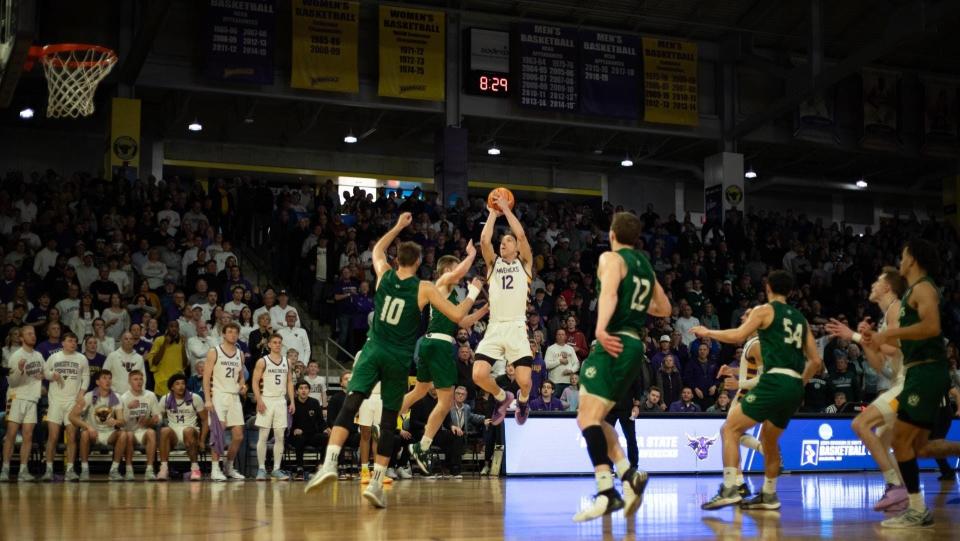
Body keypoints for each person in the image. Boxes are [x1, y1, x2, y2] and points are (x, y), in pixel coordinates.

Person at [305, 212, 481, 509]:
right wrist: (474, 291)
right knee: (389, 420)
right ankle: (377, 481)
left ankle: (330, 462)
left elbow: (375, 250)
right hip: (398, 358)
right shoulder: (424, 288)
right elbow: (456, 316)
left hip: (373, 349)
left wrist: (398, 226)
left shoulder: (384, 274)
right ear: (417, 263)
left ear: (396, 259)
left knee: (352, 401)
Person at [695, 270, 822, 511]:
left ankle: (731, 488)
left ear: (768, 288)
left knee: (730, 429)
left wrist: (708, 332)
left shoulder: (764, 310)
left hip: (774, 381)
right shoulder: (801, 319)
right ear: (792, 291)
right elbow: (816, 362)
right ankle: (769, 494)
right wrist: (798, 383)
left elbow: (737, 335)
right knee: (770, 440)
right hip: (794, 385)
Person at [573, 212, 671, 522]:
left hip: (612, 342)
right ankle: (629, 475)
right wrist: (636, 309)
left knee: (586, 417)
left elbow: (609, 292)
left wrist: (601, 328)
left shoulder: (611, 258)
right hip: (634, 345)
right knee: (597, 418)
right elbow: (664, 308)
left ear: (612, 234)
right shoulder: (645, 265)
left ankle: (607, 492)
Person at [865, 240, 960, 528]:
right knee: (920, 448)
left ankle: (917, 509)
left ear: (914, 260)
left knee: (898, 440)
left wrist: (889, 335)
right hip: (921, 372)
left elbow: (931, 327)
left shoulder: (923, 288)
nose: (901, 259)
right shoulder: (912, 293)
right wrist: (878, 339)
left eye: (904, 255)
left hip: (927, 371)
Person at [825, 267, 908, 511]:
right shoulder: (885, 317)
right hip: (898, 381)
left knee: (860, 424)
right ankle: (906, 497)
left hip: (910, 382)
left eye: (878, 281)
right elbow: (881, 365)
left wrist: (858, 337)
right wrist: (867, 340)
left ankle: (896, 487)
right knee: (881, 439)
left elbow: (896, 348)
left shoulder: (897, 308)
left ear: (888, 288)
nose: (873, 284)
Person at [401, 241, 487, 475]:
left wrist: (485, 308)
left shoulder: (447, 298)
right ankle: (423, 445)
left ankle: (386, 418)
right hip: (439, 345)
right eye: (457, 268)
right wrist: (471, 255)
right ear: (447, 270)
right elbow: (460, 276)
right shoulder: (440, 283)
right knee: (446, 401)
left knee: (419, 391)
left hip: (431, 343)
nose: (461, 274)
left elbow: (463, 321)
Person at [472, 195, 536, 427]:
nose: (503, 243)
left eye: (508, 241)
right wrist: (492, 211)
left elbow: (520, 234)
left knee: (524, 381)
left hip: (517, 326)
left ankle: (523, 401)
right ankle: (502, 397)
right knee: (478, 375)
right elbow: (484, 239)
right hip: (495, 326)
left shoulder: (525, 264)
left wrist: (507, 210)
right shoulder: (493, 265)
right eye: (502, 241)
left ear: (517, 247)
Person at [203, 322, 248, 481]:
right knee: (218, 433)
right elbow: (206, 377)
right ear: (223, 334)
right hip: (218, 395)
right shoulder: (214, 351)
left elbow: (241, 375)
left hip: (234, 396)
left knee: (238, 436)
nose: (233, 335)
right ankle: (215, 469)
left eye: (235, 332)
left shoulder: (240, 354)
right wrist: (208, 399)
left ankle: (228, 467)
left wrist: (243, 386)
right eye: (230, 332)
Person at [42, 332, 89, 481]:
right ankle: (48, 469)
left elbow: (86, 377)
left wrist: (81, 393)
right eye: (70, 341)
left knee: (71, 436)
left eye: (75, 341)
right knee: (53, 437)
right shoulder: (54, 357)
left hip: (72, 403)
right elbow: (44, 372)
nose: (73, 343)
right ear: (63, 343)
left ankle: (70, 470)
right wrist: (52, 375)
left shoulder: (81, 358)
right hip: (55, 401)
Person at [0, 325, 44, 481]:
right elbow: (12, 382)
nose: (33, 336)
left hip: (32, 399)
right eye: (29, 333)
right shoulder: (16, 356)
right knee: (11, 434)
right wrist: (19, 369)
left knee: (28, 436)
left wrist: (49, 376)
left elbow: (43, 373)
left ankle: (23, 471)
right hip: (16, 397)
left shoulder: (38, 355)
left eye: (34, 333)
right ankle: (5, 469)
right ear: (21, 338)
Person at [252, 333, 296, 480]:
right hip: (266, 399)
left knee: (280, 436)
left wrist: (292, 401)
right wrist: (259, 400)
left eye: (279, 342)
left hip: (280, 401)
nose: (277, 344)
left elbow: (290, 381)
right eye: (275, 342)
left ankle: (276, 469)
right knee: (263, 435)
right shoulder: (262, 361)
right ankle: (261, 468)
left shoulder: (287, 361)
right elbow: (254, 382)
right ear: (269, 344)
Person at [69, 370, 126, 481]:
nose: (108, 381)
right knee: (84, 433)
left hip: (109, 433)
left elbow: (122, 421)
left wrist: (116, 422)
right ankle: (85, 470)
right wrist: (88, 426)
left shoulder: (117, 397)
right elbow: (72, 417)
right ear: (97, 382)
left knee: (123, 434)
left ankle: (114, 470)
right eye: (104, 378)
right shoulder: (89, 396)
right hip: (92, 433)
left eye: (109, 378)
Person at [158, 373, 208, 481]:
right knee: (164, 430)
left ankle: (195, 468)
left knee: (187, 431)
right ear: (172, 387)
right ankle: (164, 468)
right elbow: (158, 418)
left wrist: (202, 440)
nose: (181, 386)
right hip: (174, 434)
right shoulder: (165, 399)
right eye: (177, 384)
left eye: (183, 383)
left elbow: (205, 420)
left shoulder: (195, 398)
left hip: (191, 430)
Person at [120, 370, 161, 481]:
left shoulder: (150, 395)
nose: (139, 382)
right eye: (135, 379)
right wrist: (129, 409)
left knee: (152, 432)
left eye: (140, 379)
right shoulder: (123, 398)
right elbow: (122, 422)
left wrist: (152, 420)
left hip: (143, 431)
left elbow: (158, 416)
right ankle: (129, 470)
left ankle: (149, 470)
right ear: (129, 381)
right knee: (127, 434)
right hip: (129, 431)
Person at [290, 380, 329, 479]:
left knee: (327, 438)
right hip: (297, 435)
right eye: (301, 388)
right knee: (299, 438)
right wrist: (294, 429)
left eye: (306, 388)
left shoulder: (314, 402)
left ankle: (320, 465)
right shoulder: (292, 403)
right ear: (296, 391)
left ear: (309, 390)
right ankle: (300, 468)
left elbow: (320, 420)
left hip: (312, 434)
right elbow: (287, 422)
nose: (303, 391)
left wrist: (326, 428)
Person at [146, 321, 189, 396]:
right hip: (162, 384)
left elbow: (184, 364)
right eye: (171, 326)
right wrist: (164, 344)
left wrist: (183, 346)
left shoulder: (181, 341)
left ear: (178, 329)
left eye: (176, 327)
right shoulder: (159, 340)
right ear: (167, 328)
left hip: (177, 384)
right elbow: (154, 362)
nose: (174, 329)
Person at [104, 331, 145, 396]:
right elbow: (104, 375)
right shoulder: (112, 356)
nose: (128, 341)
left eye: (131, 339)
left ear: (134, 341)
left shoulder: (139, 358)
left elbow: (143, 377)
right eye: (126, 339)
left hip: (134, 395)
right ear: (121, 341)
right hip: (115, 395)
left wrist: (141, 393)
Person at [544, 329, 580, 398]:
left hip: (569, 382)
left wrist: (571, 370)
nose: (561, 336)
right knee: (555, 404)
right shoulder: (551, 348)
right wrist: (559, 361)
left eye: (562, 334)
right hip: (555, 382)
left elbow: (577, 364)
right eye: (559, 335)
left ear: (565, 337)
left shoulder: (570, 349)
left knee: (569, 404)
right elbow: (546, 365)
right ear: (556, 336)